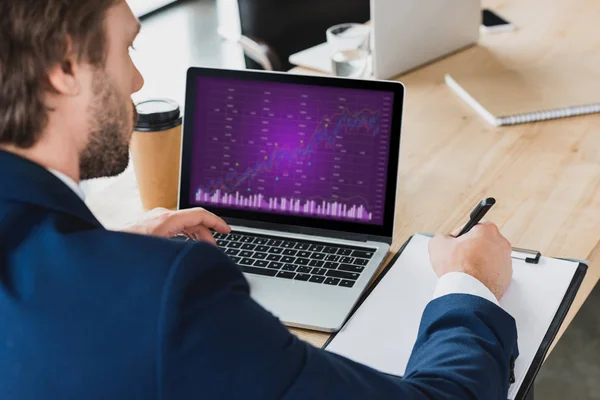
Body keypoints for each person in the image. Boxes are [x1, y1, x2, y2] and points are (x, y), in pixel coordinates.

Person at [0, 1, 518, 399]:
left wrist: (102, 250)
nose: (137, 80)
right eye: (127, 48)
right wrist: (467, 283)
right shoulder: (173, 294)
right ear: (65, 67)